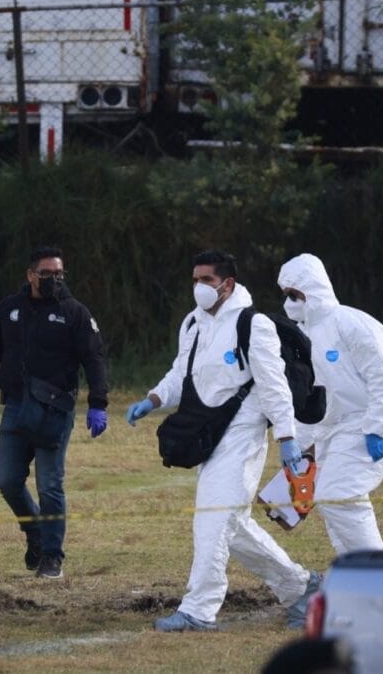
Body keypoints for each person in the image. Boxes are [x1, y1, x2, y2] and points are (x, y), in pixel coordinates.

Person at [126, 250, 321, 632]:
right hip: (208, 435)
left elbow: (274, 386)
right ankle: (302, 587)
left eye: (207, 280)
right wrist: (153, 399)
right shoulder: (193, 324)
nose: (199, 287)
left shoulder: (253, 324)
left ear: (227, 284)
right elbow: (181, 372)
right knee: (232, 525)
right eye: (195, 280)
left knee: (213, 519)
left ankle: (199, 610)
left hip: (243, 438)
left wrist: (287, 438)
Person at [0, 246, 109, 580]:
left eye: (59, 274)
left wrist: (98, 404)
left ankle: (51, 556)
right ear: (31, 275)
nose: (55, 280)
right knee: (7, 480)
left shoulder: (74, 313)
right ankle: (35, 531)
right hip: (16, 406)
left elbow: (94, 358)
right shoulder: (10, 309)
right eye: (47, 274)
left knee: (49, 486)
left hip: (54, 409)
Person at [277, 253, 383, 555]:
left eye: (294, 294)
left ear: (312, 288)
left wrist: (377, 427)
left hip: (362, 427)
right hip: (327, 433)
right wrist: (298, 445)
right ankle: (353, 573)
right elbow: (309, 396)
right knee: (332, 505)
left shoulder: (354, 324)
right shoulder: (301, 335)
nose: (289, 302)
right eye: (286, 295)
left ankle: (380, 575)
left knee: (338, 496)